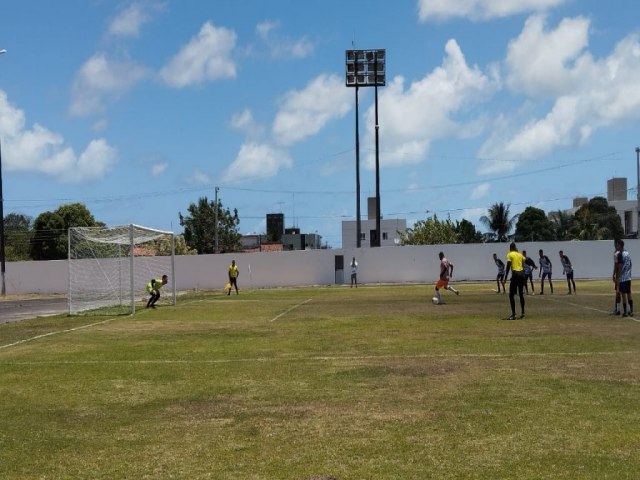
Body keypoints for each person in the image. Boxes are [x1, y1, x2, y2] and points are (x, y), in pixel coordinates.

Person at [505, 242, 526, 320]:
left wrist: (505, 276)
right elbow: (525, 260)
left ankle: (514, 314)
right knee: (521, 294)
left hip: (515, 274)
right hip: (522, 275)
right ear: (515, 247)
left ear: (510, 248)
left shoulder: (510, 254)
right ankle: (523, 313)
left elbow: (508, 265)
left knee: (511, 295)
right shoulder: (519, 254)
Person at [614, 239, 633, 317]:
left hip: (623, 278)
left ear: (620, 245)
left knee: (623, 294)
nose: (616, 246)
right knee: (629, 293)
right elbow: (631, 264)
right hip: (628, 277)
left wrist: (618, 277)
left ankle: (625, 312)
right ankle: (631, 311)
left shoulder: (620, 254)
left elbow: (620, 266)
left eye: (617, 245)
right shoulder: (627, 253)